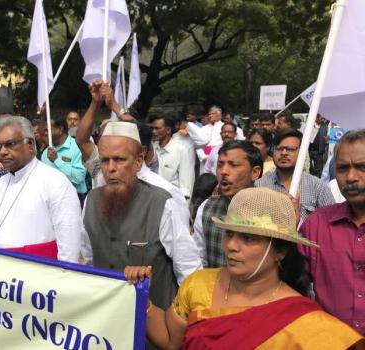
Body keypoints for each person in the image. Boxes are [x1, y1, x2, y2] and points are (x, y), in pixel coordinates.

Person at [125, 187, 364, 349]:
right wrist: (140, 298)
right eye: (229, 234)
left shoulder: (305, 323)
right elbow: (169, 342)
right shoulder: (198, 284)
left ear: (280, 252)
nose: (231, 246)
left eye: (249, 238)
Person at [81, 122, 202, 324]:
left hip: (153, 327)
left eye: (119, 160)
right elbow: (88, 259)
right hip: (107, 323)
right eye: (104, 160)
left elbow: (189, 270)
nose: (110, 168)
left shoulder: (163, 202)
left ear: (138, 161)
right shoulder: (91, 201)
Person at [0, 116, 82, 262]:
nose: (2, 152)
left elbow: (70, 248)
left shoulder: (55, 182)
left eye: (10, 144)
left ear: (30, 144)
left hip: (39, 278)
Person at [300, 129, 365, 335]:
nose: (351, 177)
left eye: (362, 167)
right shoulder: (317, 224)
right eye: (343, 168)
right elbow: (291, 280)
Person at [193, 141, 263, 267]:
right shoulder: (207, 207)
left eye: (233, 165)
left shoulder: (272, 207)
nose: (224, 171)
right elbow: (199, 258)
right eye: (220, 165)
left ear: (255, 172)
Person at [256, 129, 335, 224]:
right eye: (279, 148)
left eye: (290, 149)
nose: (284, 153)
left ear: (302, 153)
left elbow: (331, 223)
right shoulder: (260, 186)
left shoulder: (317, 187)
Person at [41, 117, 87, 203]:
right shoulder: (46, 153)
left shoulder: (77, 147)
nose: (45, 133)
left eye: (48, 130)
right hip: (51, 199)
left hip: (74, 198)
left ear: (60, 129)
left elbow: (79, 177)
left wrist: (57, 160)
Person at [151, 114, 196, 200]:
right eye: (152, 128)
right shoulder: (151, 149)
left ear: (168, 130)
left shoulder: (181, 150)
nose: (153, 131)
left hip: (171, 201)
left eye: (157, 128)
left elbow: (185, 186)